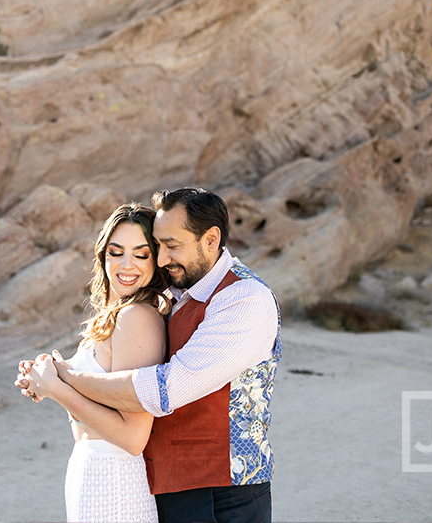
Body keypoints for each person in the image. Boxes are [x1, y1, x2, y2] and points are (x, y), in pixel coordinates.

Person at [19, 188, 281, 523]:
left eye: (170, 246)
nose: (161, 259)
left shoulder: (244, 298)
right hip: (170, 485)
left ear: (211, 239)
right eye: (158, 247)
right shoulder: (180, 295)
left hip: (224, 492)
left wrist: (63, 381)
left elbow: (166, 389)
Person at [16, 203, 171, 523]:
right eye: (117, 252)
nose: (127, 264)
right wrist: (45, 378)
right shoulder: (113, 317)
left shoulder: (137, 317)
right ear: (103, 256)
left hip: (116, 481)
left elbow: (133, 438)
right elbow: (96, 398)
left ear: (157, 261)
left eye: (141, 254)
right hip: (90, 472)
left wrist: (58, 388)